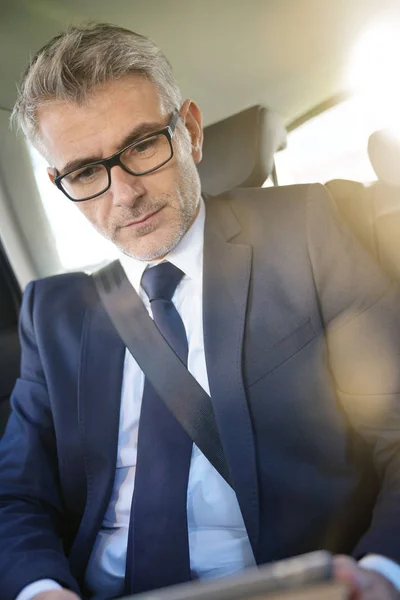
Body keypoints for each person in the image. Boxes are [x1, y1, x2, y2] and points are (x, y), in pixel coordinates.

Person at [1, 22, 400, 600]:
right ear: (59, 182)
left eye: (141, 145)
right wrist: (41, 591)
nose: (124, 194)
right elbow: (17, 494)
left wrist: (383, 571)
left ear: (188, 130)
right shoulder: (53, 311)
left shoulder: (308, 230)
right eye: (86, 172)